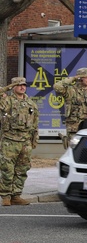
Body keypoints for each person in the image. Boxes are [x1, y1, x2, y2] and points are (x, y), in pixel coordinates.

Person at [0, 78, 39, 207]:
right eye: (19, 85)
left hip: (25, 141)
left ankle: (16, 195)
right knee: (7, 169)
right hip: (10, 140)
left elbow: (35, 123)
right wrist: (8, 87)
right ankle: (5, 196)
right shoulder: (7, 101)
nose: (22, 87)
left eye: (24, 85)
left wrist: (34, 139)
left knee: (22, 169)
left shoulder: (30, 103)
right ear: (13, 87)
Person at [54, 67, 87, 147]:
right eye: (86, 77)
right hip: (76, 126)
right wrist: (73, 78)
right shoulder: (71, 90)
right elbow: (57, 87)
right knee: (75, 149)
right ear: (80, 78)